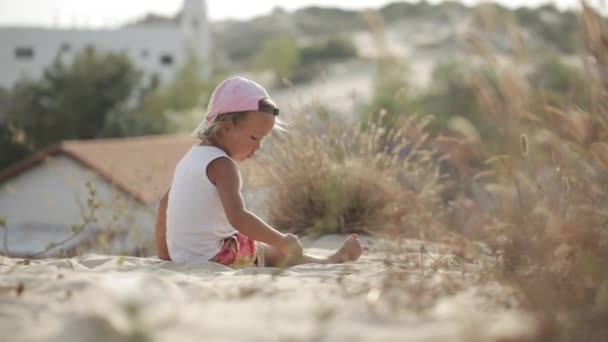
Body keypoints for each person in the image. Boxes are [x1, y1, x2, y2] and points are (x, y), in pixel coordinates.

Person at [155, 76, 363, 268]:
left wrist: (166, 253)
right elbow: (239, 217)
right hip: (214, 258)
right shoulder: (223, 166)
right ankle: (328, 261)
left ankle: (321, 260)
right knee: (269, 250)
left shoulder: (189, 159)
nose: (258, 147)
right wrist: (283, 240)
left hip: (184, 258)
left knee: (252, 245)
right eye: (254, 138)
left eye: (263, 140)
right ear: (226, 128)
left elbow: (166, 201)